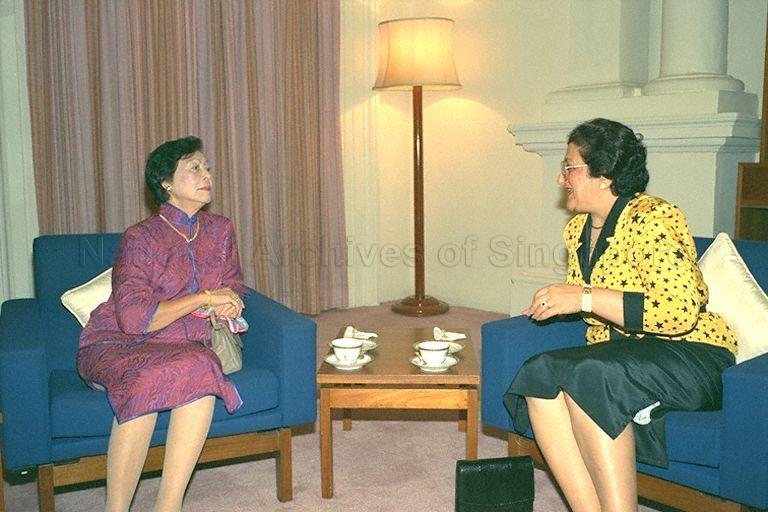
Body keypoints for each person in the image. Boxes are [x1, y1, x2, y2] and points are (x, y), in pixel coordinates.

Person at [503, 119, 737, 512]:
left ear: (604, 175)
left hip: (691, 356)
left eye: (570, 167)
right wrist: (564, 302)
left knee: (589, 375)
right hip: (626, 356)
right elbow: (596, 320)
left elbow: (678, 311)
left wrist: (584, 297)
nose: (562, 179)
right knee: (539, 371)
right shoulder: (578, 230)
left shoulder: (655, 217)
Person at [77, 136, 247, 512]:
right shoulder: (140, 238)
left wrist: (231, 301)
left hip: (182, 347)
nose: (207, 175)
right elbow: (135, 319)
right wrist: (204, 298)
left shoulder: (220, 230)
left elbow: (232, 282)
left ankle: (168, 507)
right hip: (117, 344)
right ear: (166, 184)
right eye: (194, 168)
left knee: (202, 367)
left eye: (207, 167)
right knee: (156, 376)